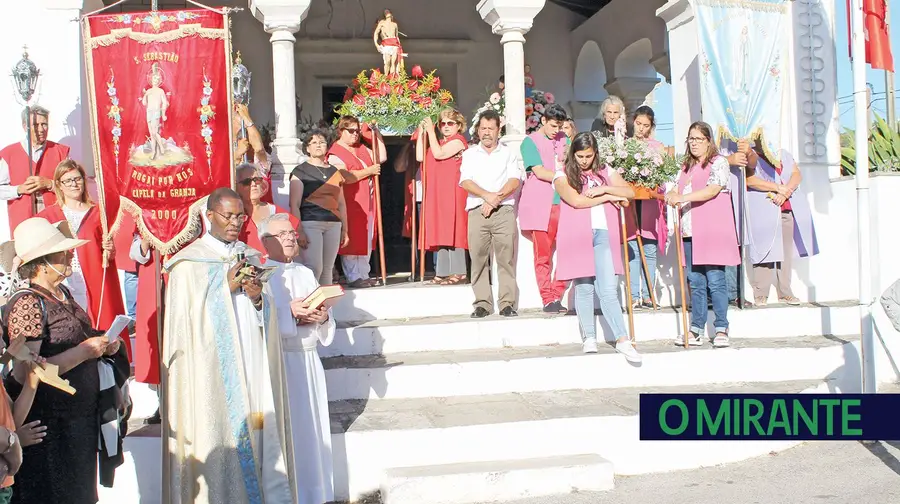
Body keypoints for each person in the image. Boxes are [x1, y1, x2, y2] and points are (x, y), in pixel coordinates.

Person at [162, 188, 293, 503]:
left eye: (240, 215)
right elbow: (184, 326)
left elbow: (267, 312)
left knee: (260, 424)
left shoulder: (248, 254)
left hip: (251, 362)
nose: (235, 222)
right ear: (209, 217)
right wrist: (225, 287)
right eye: (228, 215)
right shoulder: (188, 263)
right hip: (212, 374)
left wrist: (257, 297)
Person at [1, 217, 124, 504]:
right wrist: (85, 351)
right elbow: (24, 372)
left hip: (76, 423)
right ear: (43, 263)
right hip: (48, 428)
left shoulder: (63, 294)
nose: (70, 255)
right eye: (63, 252)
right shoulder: (28, 303)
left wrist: (104, 350)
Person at [259, 214, 335, 504]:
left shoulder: (305, 272)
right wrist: (288, 313)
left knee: (314, 430)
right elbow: (258, 319)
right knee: (292, 433)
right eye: (282, 234)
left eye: (292, 233)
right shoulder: (262, 274)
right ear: (266, 241)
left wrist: (323, 316)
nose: (291, 238)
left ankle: (317, 493)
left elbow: (325, 315)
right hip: (282, 362)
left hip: (308, 359)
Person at [553, 132, 641, 362]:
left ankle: (622, 338)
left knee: (608, 288)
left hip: (603, 233)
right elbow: (577, 201)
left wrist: (604, 189)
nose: (584, 160)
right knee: (583, 287)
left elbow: (629, 192)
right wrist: (607, 197)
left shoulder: (606, 171)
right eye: (580, 156)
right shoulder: (562, 174)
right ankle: (589, 337)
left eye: (588, 156)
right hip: (577, 235)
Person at [37, 160, 128, 357]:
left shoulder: (98, 213)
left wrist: (110, 249)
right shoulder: (49, 215)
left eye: (77, 179)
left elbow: (111, 252)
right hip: (64, 277)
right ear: (59, 184)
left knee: (95, 319)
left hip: (92, 276)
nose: (73, 184)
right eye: (67, 180)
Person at [665, 122, 741, 348]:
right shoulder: (685, 166)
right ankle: (696, 328)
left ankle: (721, 327)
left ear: (708, 141)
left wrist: (682, 198)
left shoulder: (719, 162)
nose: (694, 143)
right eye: (691, 139)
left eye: (699, 139)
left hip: (711, 228)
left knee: (716, 280)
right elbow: (676, 190)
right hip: (690, 229)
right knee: (696, 281)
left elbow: (713, 189)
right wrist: (672, 193)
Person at [459, 110, 521, 318]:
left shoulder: (508, 153)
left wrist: (496, 198)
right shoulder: (469, 154)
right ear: (478, 130)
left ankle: (507, 303)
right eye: (483, 128)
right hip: (477, 211)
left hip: (503, 210)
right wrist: (487, 196)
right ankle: (482, 303)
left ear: (498, 130)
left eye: (490, 129)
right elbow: (466, 181)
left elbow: (514, 180)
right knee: (478, 259)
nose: (486, 133)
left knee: (505, 259)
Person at [744, 146, 818, 306]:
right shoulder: (751, 154)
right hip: (763, 208)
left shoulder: (782, 153)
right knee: (764, 248)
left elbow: (796, 174)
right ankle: (761, 292)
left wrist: (785, 192)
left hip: (785, 206)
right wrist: (777, 188)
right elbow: (749, 179)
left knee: (785, 251)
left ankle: (785, 291)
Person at [519, 103, 569, 313]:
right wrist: (561, 176)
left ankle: (557, 293)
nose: (556, 130)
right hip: (540, 205)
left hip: (563, 203)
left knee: (567, 251)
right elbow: (539, 171)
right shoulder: (530, 142)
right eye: (553, 126)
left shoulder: (564, 140)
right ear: (543, 121)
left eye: (559, 126)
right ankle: (547, 298)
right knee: (543, 255)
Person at [327, 116, 385, 288]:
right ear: (341, 131)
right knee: (352, 238)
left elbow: (381, 156)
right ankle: (353, 276)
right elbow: (345, 177)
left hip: (368, 199)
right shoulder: (335, 152)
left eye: (357, 131)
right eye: (350, 131)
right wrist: (369, 171)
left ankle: (364, 274)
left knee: (366, 237)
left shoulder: (361, 148)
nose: (355, 134)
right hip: (350, 200)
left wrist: (375, 133)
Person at [0, 106, 69, 241]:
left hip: (53, 220)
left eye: (44, 124)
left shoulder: (60, 151)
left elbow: (74, 185)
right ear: (25, 126)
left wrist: (50, 184)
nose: (42, 129)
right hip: (22, 222)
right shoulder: (9, 154)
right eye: (36, 124)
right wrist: (18, 189)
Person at [416, 109, 469, 285]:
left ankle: (459, 271)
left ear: (459, 126)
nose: (445, 127)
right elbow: (419, 157)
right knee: (441, 229)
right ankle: (443, 271)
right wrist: (422, 132)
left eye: (450, 123)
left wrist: (430, 131)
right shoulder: (437, 142)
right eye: (442, 123)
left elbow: (439, 154)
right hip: (438, 191)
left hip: (453, 191)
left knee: (455, 230)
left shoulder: (459, 142)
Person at [290, 129, 349, 286]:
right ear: (307, 148)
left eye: (322, 142)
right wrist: (298, 230)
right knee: (314, 267)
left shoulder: (334, 172)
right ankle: (312, 303)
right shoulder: (300, 171)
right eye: (314, 142)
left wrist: (345, 229)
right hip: (310, 222)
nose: (318, 145)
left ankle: (326, 308)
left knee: (328, 268)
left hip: (334, 223)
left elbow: (341, 203)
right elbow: (294, 204)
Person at [626, 106, 668, 310]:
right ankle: (634, 294)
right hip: (632, 203)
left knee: (649, 251)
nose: (641, 128)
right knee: (633, 249)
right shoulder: (625, 146)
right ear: (633, 122)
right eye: (639, 124)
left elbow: (663, 177)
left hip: (650, 202)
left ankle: (650, 294)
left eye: (646, 125)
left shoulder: (658, 147)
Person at [235, 163, 298, 260]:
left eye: (256, 180)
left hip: (278, 267)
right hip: (248, 267)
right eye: (247, 182)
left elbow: (298, 232)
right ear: (236, 186)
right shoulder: (234, 214)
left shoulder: (276, 210)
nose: (253, 184)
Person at [373, 9, 404, 76]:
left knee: (393, 62)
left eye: (388, 12)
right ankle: (386, 77)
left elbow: (397, 36)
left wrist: (400, 48)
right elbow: (376, 33)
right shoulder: (382, 23)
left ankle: (391, 79)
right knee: (387, 62)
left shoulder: (394, 24)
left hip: (394, 44)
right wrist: (376, 44)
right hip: (387, 44)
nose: (387, 13)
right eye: (386, 12)